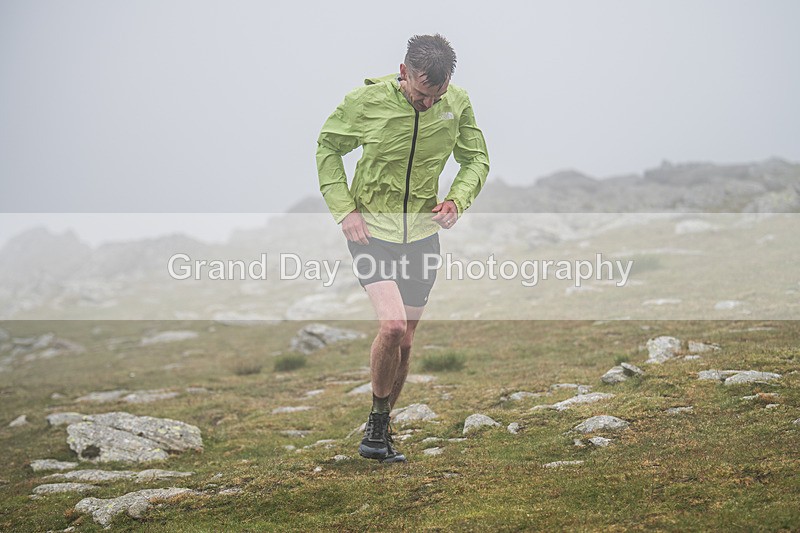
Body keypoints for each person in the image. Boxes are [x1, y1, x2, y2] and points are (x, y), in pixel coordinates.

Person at [316, 34, 489, 463]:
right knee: (391, 326)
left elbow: (476, 159)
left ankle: (380, 430)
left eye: (438, 94)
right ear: (403, 74)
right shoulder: (365, 102)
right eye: (420, 93)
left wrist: (457, 200)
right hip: (371, 231)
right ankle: (377, 425)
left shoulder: (457, 103)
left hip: (422, 236)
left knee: (407, 340)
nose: (428, 103)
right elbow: (328, 148)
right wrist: (344, 210)